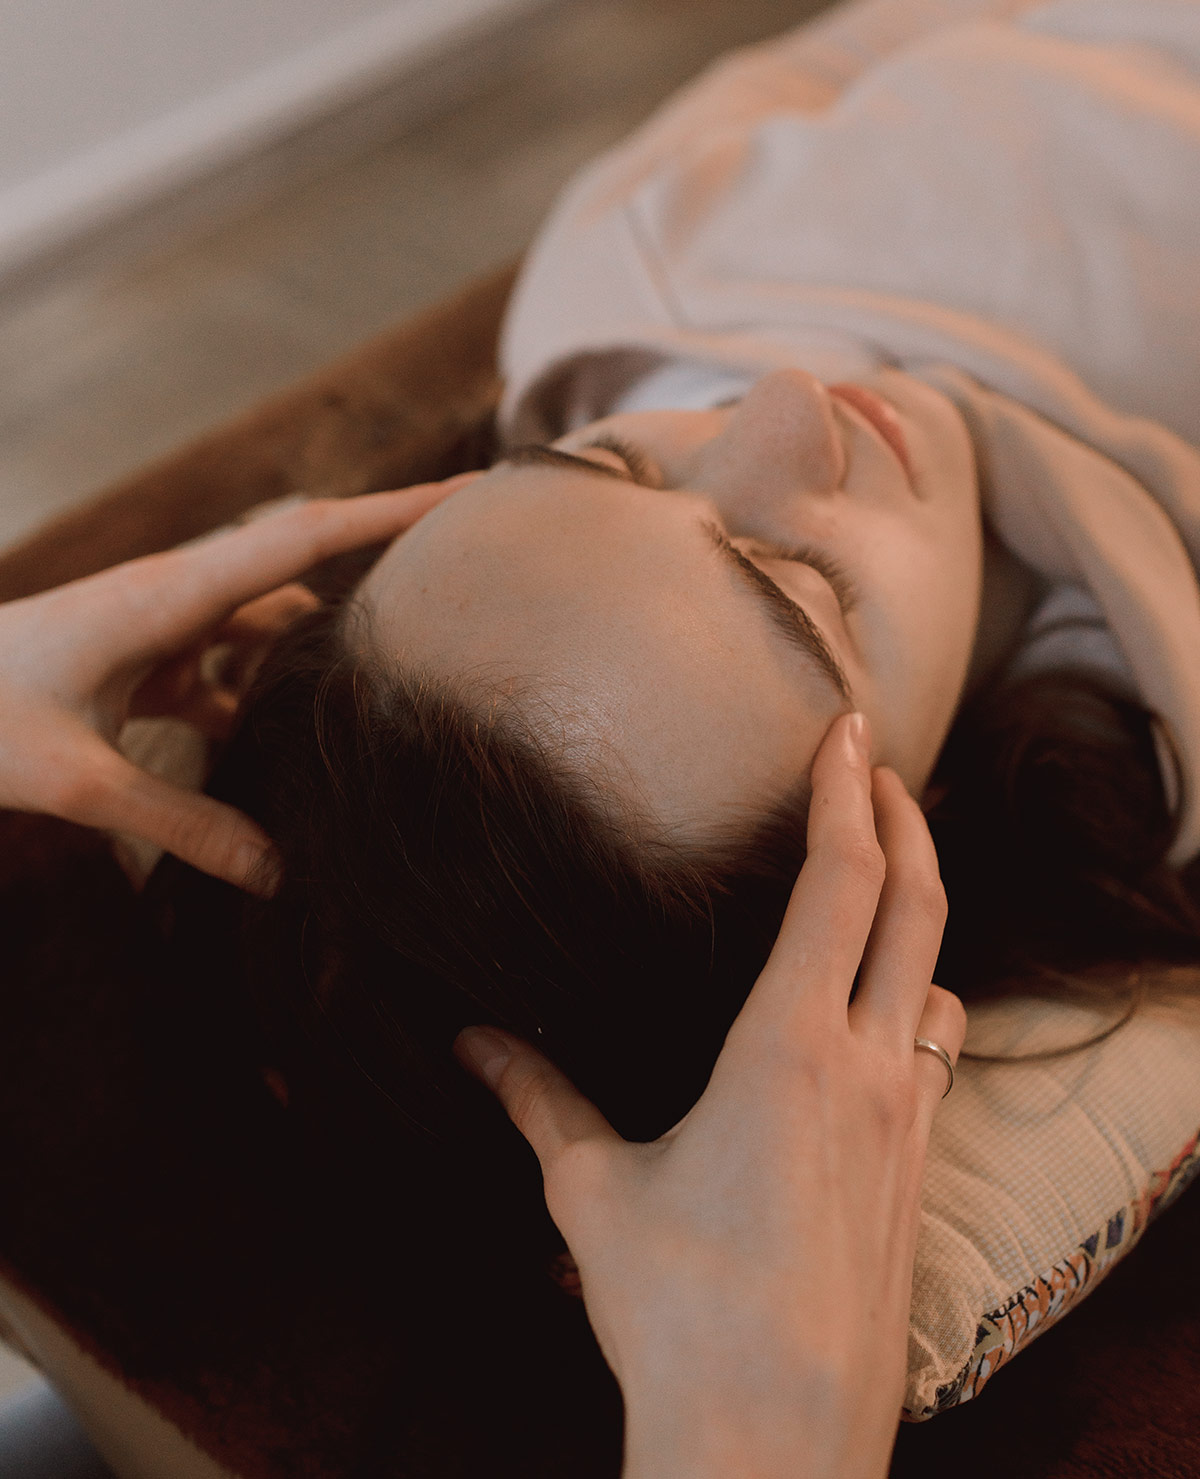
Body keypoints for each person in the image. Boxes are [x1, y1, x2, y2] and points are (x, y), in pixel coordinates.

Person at [8, 0, 1200, 1470]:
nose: (780, 408)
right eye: (800, 588)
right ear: (903, 853)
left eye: (617, 464)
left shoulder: (624, 281)